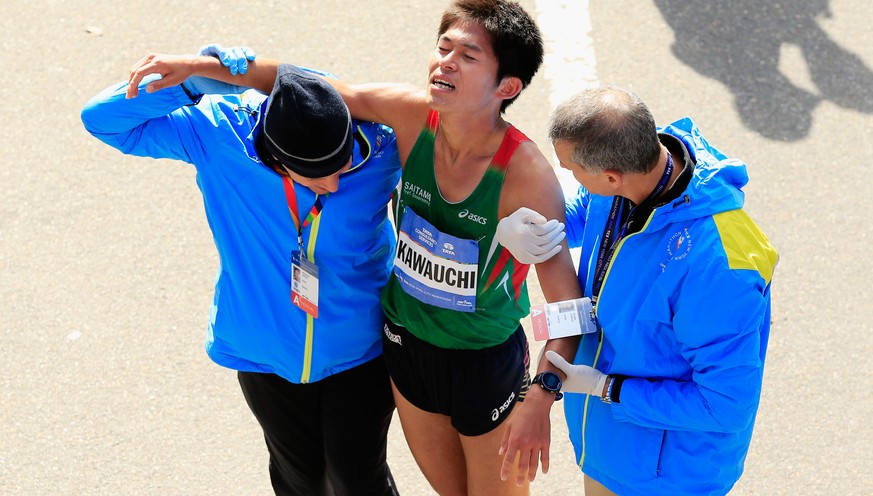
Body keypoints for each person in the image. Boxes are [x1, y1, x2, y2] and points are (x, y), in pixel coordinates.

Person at [183, 1, 584, 493]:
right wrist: (200, 68)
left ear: (508, 87)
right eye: (443, 47)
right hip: (405, 345)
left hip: (481, 359)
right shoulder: (409, 116)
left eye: (468, 56)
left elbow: (567, 307)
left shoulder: (526, 175)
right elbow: (311, 91)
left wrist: (542, 397)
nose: (446, 62)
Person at [81, 47, 402, 496]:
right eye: (314, 176)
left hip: (361, 348)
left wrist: (271, 76)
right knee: (300, 479)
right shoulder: (218, 135)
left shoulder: (384, 144)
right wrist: (190, 82)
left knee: (357, 477)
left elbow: (318, 92)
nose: (333, 183)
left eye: (341, 164)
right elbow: (103, 119)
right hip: (263, 351)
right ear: (274, 158)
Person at [501, 86, 779, 496]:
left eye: (573, 171)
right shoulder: (640, 159)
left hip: (666, 477)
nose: (571, 180)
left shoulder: (720, 269)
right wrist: (536, 226)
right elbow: (587, 209)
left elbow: (724, 407)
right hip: (611, 446)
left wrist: (605, 388)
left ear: (611, 176)